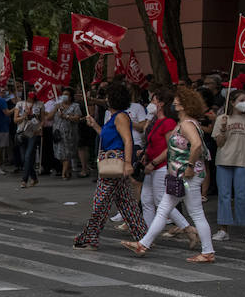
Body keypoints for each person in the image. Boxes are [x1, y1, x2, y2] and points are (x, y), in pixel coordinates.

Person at [122, 86, 215, 263]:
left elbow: (196, 145)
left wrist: (189, 166)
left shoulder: (187, 125)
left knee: (195, 213)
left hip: (188, 176)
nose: (174, 102)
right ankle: (143, 244)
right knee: (164, 209)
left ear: (184, 104)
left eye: (178, 100)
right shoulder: (186, 123)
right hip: (181, 176)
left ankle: (208, 252)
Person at [73, 82, 148, 249]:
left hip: (115, 162)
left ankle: (89, 237)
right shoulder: (114, 117)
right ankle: (144, 237)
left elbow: (127, 140)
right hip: (112, 160)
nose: (105, 98)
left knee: (100, 201)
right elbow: (108, 137)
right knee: (126, 203)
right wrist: (94, 125)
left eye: (107, 96)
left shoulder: (120, 117)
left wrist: (128, 163)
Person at [138, 88, 191, 241]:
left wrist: (154, 162)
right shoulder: (155, 121)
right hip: (150, 165)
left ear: (160, 104)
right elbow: (148, 139)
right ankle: (146, 235)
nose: (150, 104)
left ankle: (186, 227)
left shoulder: (168, 122)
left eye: (153, 101)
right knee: (146, 200)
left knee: (160, 201)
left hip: (160, 167)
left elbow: (170, 147)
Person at [211, 89, 245, 243]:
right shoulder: (221, 119)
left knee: (242, 195)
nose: (244, 103)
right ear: (232, 102)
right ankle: (223, 229)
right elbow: (219, 143)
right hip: (224, 160)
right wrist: (223, 129)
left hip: (242, 160)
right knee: (224, 196)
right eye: (241, 100)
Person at [14, 90, 44, 188]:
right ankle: (34, 178)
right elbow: (15, 120)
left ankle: (24, 180)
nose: (31, 98)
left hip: (33, 132)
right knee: (24, 158)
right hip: (21, 132)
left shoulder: (40, 104)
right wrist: (24, 116)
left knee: (28, 156)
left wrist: (40, 127)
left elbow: (42, 119)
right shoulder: (20, 104)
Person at [54, 90, 82, 180]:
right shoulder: (58, 106)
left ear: (70, 97)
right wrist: (55, 109)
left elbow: (77, 118)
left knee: (67, 153)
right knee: (60, 154)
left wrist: (67, 116)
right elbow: (49, 117)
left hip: (70, 134)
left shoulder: (75, 106)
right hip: (58, 134)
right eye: (63, 94)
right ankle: (67, 169)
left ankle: (64, 173)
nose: (64, 96)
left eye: (66, 94)